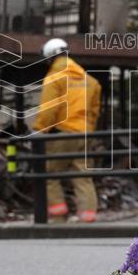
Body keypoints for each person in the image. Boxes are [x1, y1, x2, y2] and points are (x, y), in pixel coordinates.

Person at [32, 38, 102, 223]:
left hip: (64, 132)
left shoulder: (54, 78)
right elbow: (94, 110)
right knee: (83, 176)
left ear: (49, 57)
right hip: (85, 133)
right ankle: (88, 217)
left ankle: (58, 216)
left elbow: (49, 109)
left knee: (50, 174)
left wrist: (39, 130)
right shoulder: (89, 80)